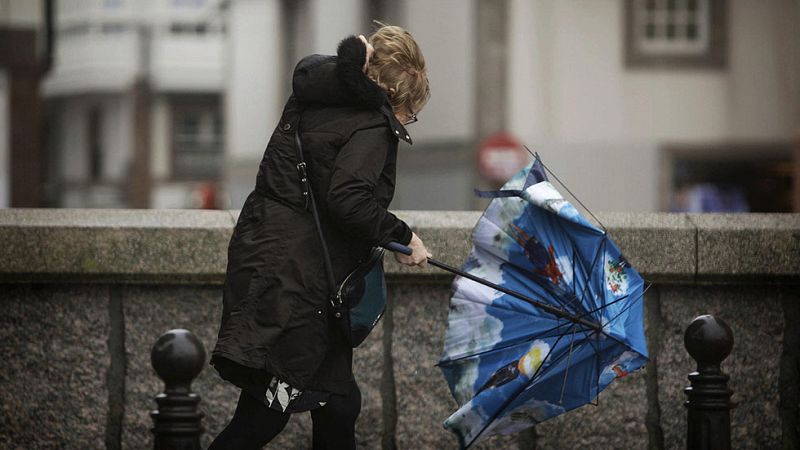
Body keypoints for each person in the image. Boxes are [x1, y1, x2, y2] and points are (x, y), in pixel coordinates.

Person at [208, 24, 431, 449]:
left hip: (274, 260)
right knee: (264, 415)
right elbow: (347, 199)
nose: (405, 122)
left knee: (339, 403)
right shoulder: (370, 125)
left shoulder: (317, 99)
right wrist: (404, 237)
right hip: (300, 283)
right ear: (397, 99)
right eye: (410, 113)